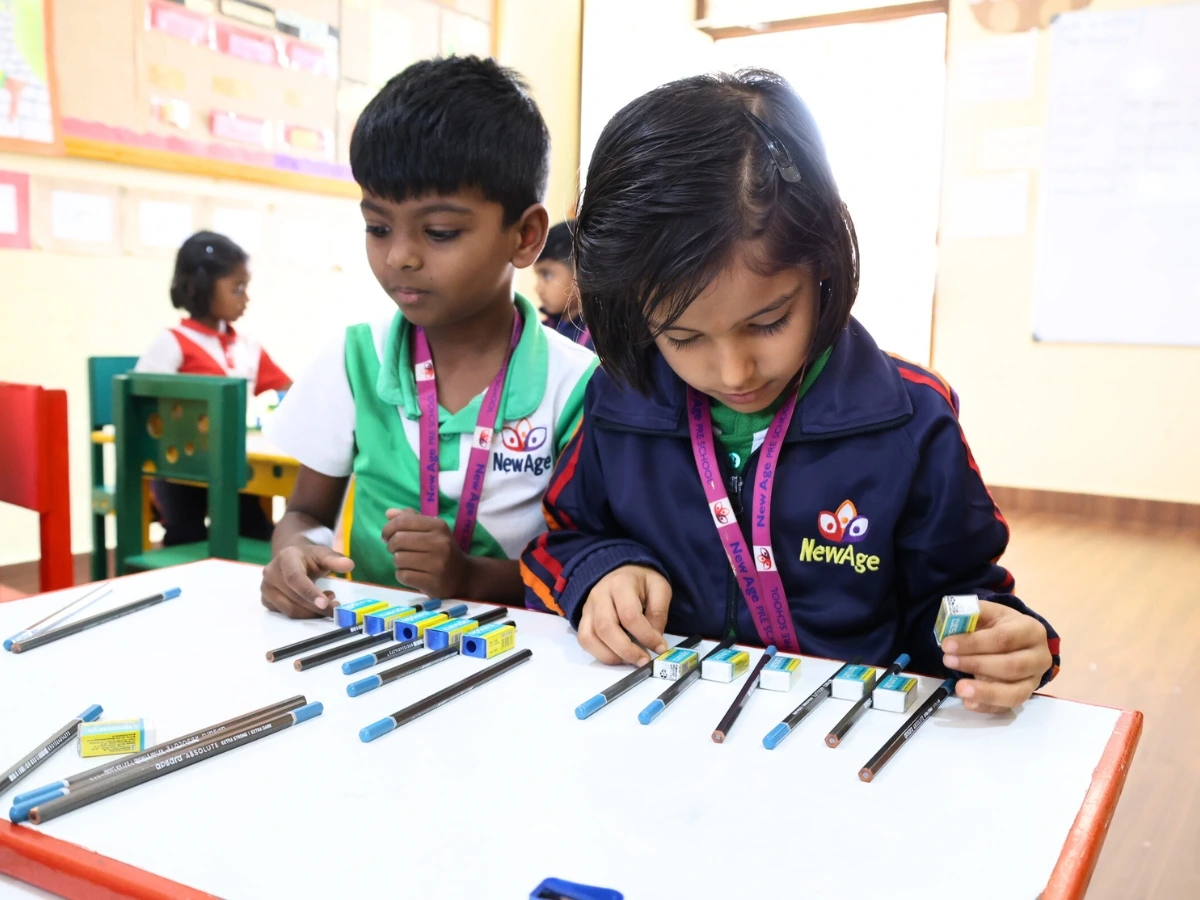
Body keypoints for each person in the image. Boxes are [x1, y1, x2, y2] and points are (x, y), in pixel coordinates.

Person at [521, 70, 1059, 713]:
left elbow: (960, 597)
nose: (734, 372)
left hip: (842, 728)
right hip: (667, 713)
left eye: (769, 322)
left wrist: (1001, 642)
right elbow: (562, 536)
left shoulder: (910, 419)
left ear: (823, 263)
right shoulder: (619, 400)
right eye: (683, 337)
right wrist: (599, 570)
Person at [261, 56, 596, 618]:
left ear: (525, 236)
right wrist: (296, 552)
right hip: (369, 642)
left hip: (519, 650)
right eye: (377, 227)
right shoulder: (355, 359)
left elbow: (584, 561)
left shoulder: (578, 385)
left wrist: (468, 576)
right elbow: (305, 514)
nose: (400, 256)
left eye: (440, 232)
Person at [136, 231, 290, 546]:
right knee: (186, 535)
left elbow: (291, 392)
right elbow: (140, 407)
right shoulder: (172, 343)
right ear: (200, 287)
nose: (245, 298)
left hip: (233, 467)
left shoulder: (248, 348)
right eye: (237, 288)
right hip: (180, 470)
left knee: (258, 531)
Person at [534, 221, 592, 350]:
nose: (538, 288)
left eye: (547, 275)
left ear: (582, 273)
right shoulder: (539, 332)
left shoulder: (603, 339)